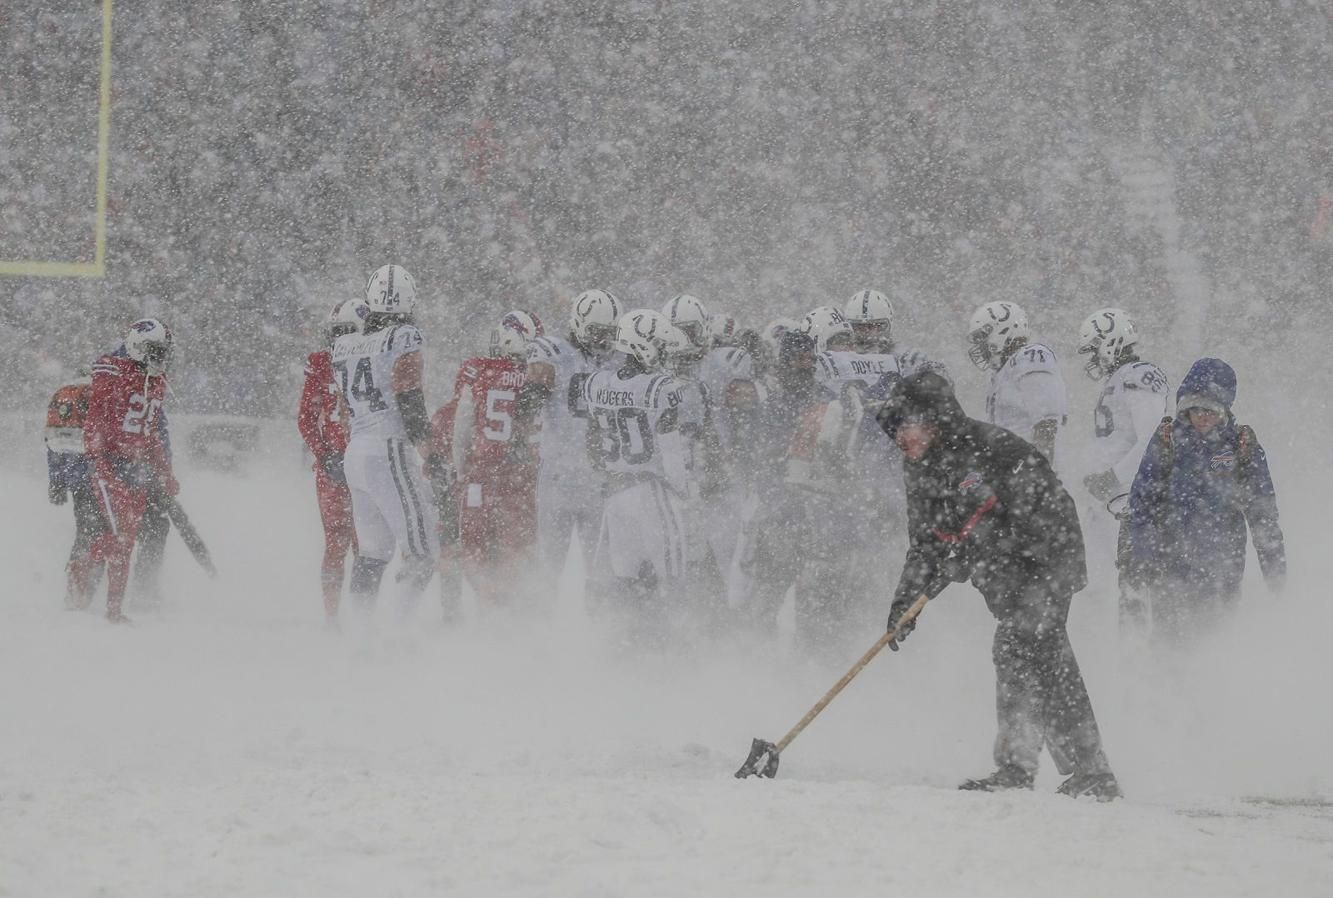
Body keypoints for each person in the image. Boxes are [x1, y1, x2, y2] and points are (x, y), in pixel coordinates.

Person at [878, 370, 1120, 800]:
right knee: (1016, 654)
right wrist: (905, 605)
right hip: (1004, 577)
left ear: (932, 420)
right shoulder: (920, 468)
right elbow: (926, 545)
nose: (900, 438)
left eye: (905, 427)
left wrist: (982, 545)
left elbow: (1041, 509)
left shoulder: (993, 448)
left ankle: (1089, 771)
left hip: (1048, 560)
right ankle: (1023, 767)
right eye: (894, 431)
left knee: (1039, 649)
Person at [1127, 358, 1285, 646]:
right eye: (1194, 408)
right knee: (1168, 647)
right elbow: (1143, 502)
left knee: (1217, 643)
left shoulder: (1241, 446)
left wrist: (1275, 571)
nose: (1202, 416)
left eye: (1210, 410)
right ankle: (1161, 689)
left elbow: (1262, 513)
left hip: (1222, 570)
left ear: (1224, 410)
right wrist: (1142, 555)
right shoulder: (1167, 441)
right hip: (1169, 567)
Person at [332, 265, 447, 614]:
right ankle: (398, 631)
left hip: (357, 453)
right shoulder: (404, 337)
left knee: (372, 552)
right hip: (388, 449)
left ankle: (362, 640)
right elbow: (409, 398)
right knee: (424, 551)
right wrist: (431, 454)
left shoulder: (344, 344)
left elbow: (343, 410)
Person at [583, 309, 697, 644]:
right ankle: (677, 647)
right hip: (651, 490)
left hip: (616, 495)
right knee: (673, 576)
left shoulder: (597, 382)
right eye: (659, 346)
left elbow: (592, 443)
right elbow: (670, 447)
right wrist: (682, 490)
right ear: (643, 345)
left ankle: (628, 645)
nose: (663, 354)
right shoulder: (660, 388)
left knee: (626, 579)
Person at [434, 310, 542, 609]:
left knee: (466, 546)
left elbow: (460, 424)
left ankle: (467, 608)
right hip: (522, 475)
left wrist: (456, 469)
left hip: (480, 472)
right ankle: (502, 608)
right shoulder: (538, 376)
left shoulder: (478, 371)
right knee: (514, 549)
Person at [1074, 308, 1170, 635]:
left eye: (1094, 349)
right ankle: (1108, 650)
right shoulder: (1118, 379)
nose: (1092, 359)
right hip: (1109, 501)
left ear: (1111, 342)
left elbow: (1152, 438)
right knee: (1097, 583)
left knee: (1130, 586)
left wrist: (1113, 476)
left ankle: (1136, 658)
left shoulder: (1138, 374)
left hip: (1128, 501)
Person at [79, 319, 179, 624]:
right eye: (154, 350)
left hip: (135, 468)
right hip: (109, 462)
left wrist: (165, 472)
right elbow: (95, 420)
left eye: (163, 351)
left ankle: (111, 607)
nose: (160, 357)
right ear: (137, 346)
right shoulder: (112, 369)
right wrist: (100, 461)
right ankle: (83, 577)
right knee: (119, 540)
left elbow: (150, 435)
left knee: (127, 540)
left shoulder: (156, 383)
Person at [519, 289, 622, 580]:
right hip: (558, 477)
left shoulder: (622, 360)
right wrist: (536, 385)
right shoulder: (555, 354)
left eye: (609, 332)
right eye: (596, 331)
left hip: (599, 480)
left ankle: (602, 623)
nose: (603, 339)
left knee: (603, 571)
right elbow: (525, 406)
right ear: (577, 324)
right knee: (549, 568)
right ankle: (539, 623)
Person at [298, 298, 367, 623]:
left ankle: (362, 616)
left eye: (345, 332)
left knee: (367, 547)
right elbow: (306, 418)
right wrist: (325, 455)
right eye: (335, 332)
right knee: (338, 543)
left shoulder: (375, 361)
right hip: (334, 468)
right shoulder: (322, 363)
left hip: (366, 467)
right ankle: (333, 618)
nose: (339, 340)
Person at [966, 301, 1067, 464]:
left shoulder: (1030, 356)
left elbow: (1046, 422)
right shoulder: (1000, 373)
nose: (979, 345)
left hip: (1028, 471)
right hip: (1010, 471)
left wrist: (1039, 470)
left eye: (981, 337)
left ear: (1000, 331)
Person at [46, 373, 103, 608]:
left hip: (77, 481)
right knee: (104, 536)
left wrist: (57, 482)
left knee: (86, 533)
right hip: (102, 479)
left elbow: (52, 446)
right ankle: (86, 592)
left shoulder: (63, 398)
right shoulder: (99, 396)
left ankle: (75, 590)